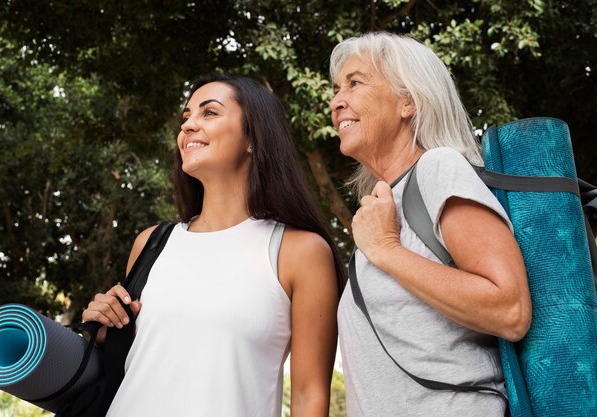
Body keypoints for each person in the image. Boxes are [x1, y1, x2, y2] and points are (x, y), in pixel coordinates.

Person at [82, 74, 345, 417]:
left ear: (253, 137)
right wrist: (103, 328)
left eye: (209, 113)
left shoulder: (301, 252)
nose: (189, 125)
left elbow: (310, 398)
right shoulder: (151, 243)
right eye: (186, 117)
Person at [329, 32, 532, 416]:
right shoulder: (384, 207)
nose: (337, 101)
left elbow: (510, 309)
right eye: (337, 88)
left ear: (408, 101)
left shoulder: (439, 168)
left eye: (355, 83)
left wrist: (387, 251)